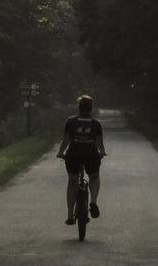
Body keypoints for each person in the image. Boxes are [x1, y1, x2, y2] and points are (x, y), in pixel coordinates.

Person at [56, 94, 106, 225]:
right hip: (91, 156)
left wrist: (61, 153)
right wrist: (102, 152)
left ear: (79, 107)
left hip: (73, 155)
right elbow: (99, 143)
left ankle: (70, 215)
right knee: (94, 177)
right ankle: (93, 201)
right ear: (91, 108)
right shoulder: (96, 124)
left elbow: (65, 141)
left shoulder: (71, 121)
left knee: (72, 182)